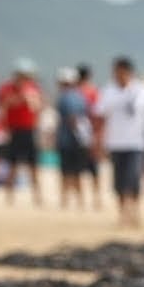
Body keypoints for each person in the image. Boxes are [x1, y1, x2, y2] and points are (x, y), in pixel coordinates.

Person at [92, 57, 144, 227]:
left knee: (134, 178)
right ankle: (123, 212)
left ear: (129, 72)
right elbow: (100, 117)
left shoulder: (143, 90)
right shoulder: (108, 91)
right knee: (119, 181)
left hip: (137, 143)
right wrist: (98, 140)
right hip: (115, 143)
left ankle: (134, 211)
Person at [0, 58, 43, 206]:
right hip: (14, 131)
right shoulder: (7, 88)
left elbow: (37, 107)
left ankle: (37, 196)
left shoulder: (33, 88)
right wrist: (20, 98)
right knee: (13, 164)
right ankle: (9, 196)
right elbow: (3, 105)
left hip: (29, 130)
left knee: (33, 165)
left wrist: (30, 100)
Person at [54, 67, 93, 210]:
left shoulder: (65, 98)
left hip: (67, 140)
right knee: (77, 171)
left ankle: (65, 200)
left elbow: (72, 118)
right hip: (80, 140)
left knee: (66, 171)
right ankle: (80, 200)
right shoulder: (81, 97)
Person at [75, 63, 102, 208]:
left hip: (77, 135)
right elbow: (98, 115)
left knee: (78, 169)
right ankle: (96, 198)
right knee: (94, 169)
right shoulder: (94, 92)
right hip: (91, 133)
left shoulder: (75, 92)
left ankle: (82, 199)